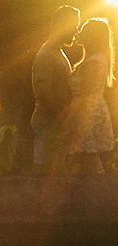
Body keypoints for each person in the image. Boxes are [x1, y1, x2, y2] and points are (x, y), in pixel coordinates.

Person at [32, 6, 80, 172]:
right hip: (48, 125)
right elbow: (44, 92)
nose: (77, 30)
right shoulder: (46, 54)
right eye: (75, 25)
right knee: (45, 175)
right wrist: (63, 120)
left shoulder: (58, 53)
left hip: (55, 126)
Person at [65, 17, 115, 173]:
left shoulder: (94, 62)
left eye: (84, 30)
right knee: (85, 158)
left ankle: (100, 192)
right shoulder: (95, 59)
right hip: (92, 110)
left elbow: (84, 97)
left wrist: (72, 121)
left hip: (89, 113)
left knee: (88, 157)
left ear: (92, 35)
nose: (79, 32)